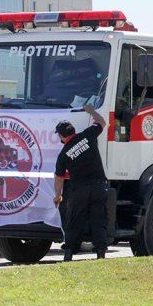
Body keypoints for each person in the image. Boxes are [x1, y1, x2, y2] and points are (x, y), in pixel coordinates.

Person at [53, 105, 108, 261]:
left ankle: (69, 253)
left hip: (80, 191)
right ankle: (101, 253)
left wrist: (58, 196)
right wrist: (90, 110)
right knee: (99, 219)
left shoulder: (64, 154)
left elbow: (59, 178)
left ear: (62, 136)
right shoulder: (88, 135)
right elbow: (102, 122)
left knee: (75, 221)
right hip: (99, 186)